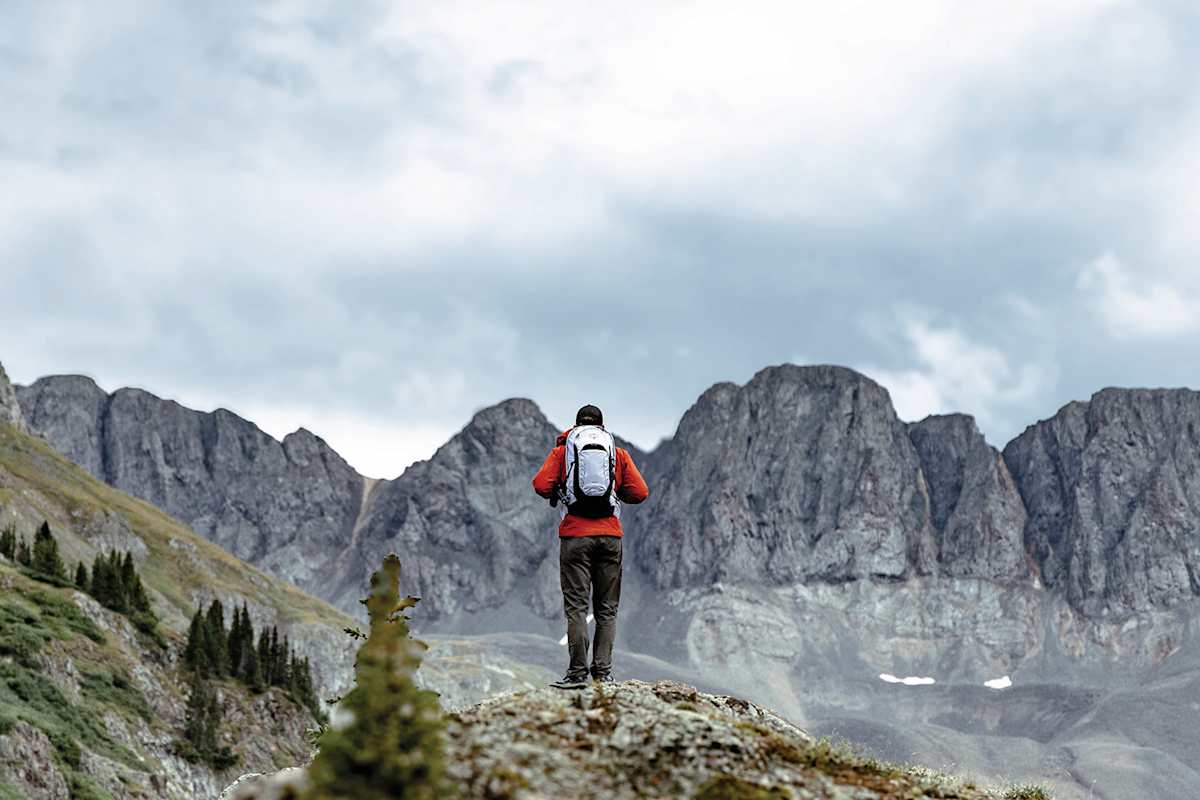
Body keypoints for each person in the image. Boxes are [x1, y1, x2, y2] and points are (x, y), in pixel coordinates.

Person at [532, 404, 649, 688]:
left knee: (576, 608)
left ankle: (576, 674)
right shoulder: (617, 454)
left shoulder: (562, 452)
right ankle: (603, 674)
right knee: (606, 609)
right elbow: (640, 492)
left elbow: (541, 485)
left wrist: (564, 490)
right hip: (610, 538)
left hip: (575, 538)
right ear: (601, 427)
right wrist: (614, 493)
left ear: (575, 427)